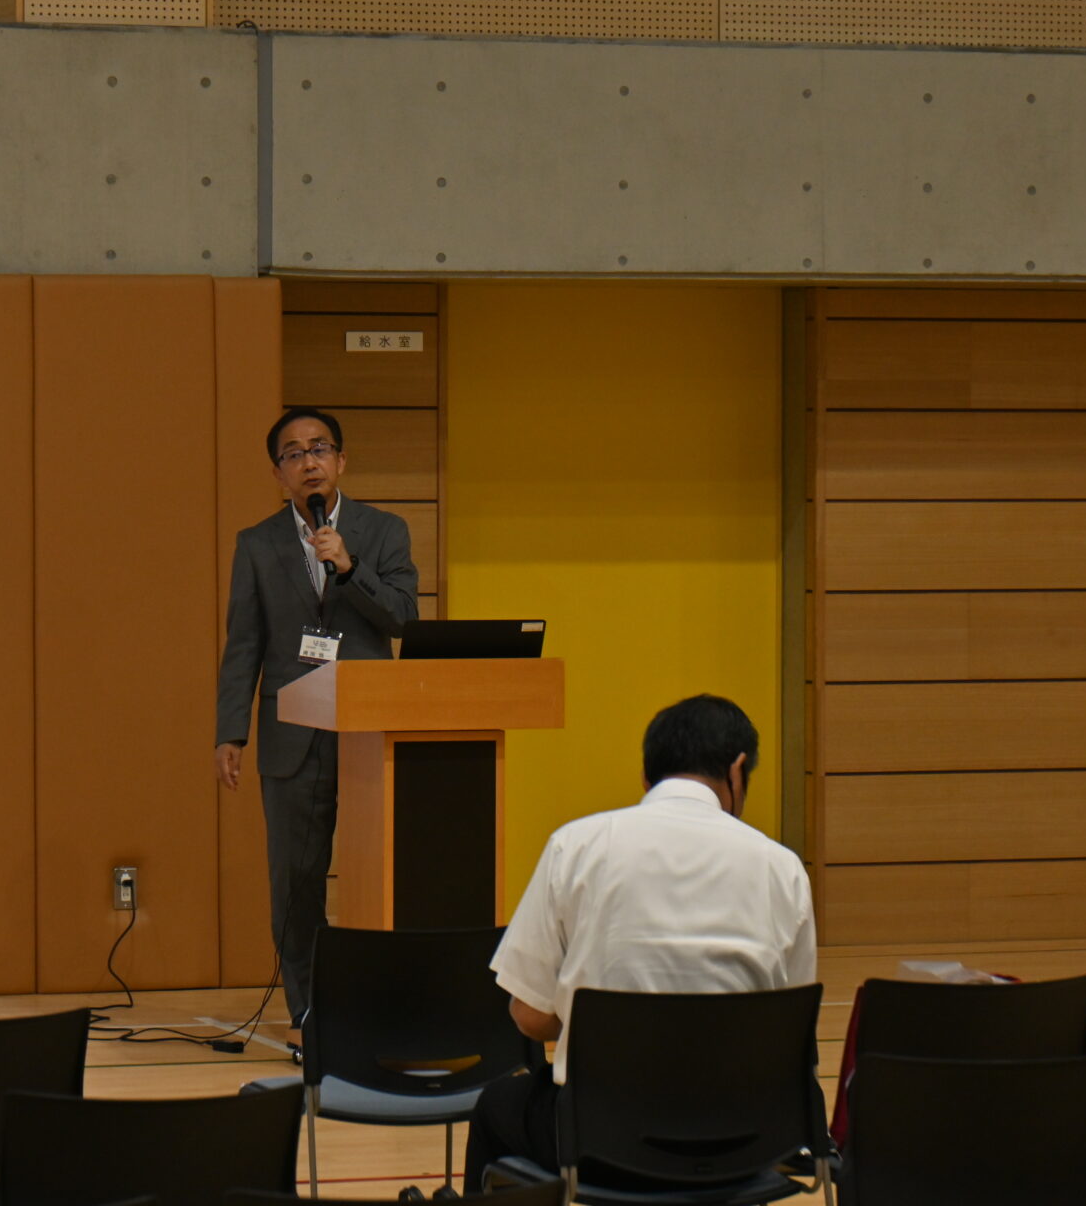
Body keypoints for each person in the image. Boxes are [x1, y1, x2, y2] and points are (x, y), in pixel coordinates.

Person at [463, 693, 817, 1191]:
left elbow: (529, 1016)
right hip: (743, 1142)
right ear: (738, 771)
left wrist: (592, 1015)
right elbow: (790, 1030)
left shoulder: (576, 846)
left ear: (647, 777)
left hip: (601, 1143)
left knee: (496, 1106)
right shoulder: (783, 868)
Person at [215, 407, 419, 1053]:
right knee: (296, 882)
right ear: (278, 473)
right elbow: (243, 644)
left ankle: (380, 1007)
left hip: (369, 734)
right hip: (292, 735)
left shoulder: (383, 532)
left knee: (378, 876)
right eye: (294, 453)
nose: (309, 462)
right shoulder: (258, 544)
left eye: (320, 448)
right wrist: (231, 732)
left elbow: (404, 619)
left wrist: (350, 569)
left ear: (341, 461)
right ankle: (309, 1014)